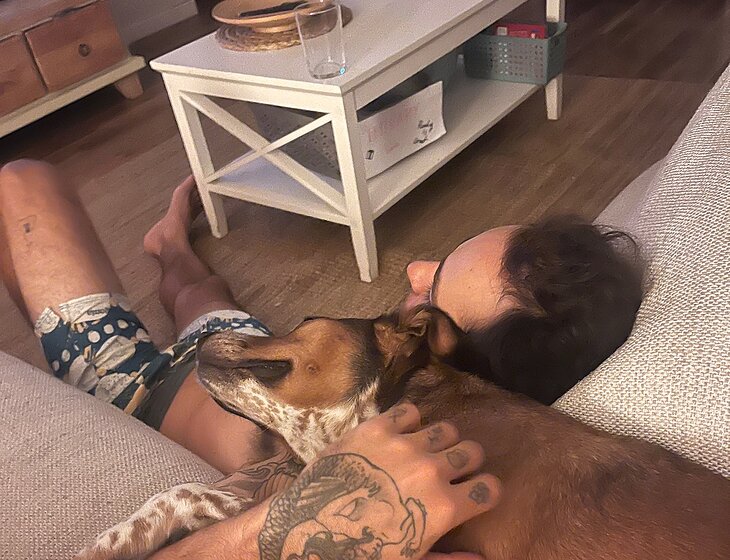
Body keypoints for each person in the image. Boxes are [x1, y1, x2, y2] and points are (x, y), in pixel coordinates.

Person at [0, 160, 642, 557]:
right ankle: (170, 242)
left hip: (141, 385)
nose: (414, 268)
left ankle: (135, 294)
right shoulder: (369, 377)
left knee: (23, 180)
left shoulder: (370, 459)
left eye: (430, 291)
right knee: (197, 291)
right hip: (249, 349)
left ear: (438, 358)